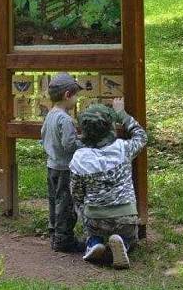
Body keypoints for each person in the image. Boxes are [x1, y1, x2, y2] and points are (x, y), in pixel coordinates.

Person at [69, 100, 147, 269]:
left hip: (95, 218)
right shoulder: (122, 149)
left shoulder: (80, 158)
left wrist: (83, 210)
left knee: (83, 208)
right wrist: (122, 114)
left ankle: (94, 242)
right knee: (128, 235)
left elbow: (76, 192)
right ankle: (124, 244)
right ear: (110, 127)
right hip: (125, 214)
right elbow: (141, 136)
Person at [41, 73, 84, 253]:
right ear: (67, 95)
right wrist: (84, 142)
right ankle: (64, 239)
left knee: (54, 200)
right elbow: (69, 145)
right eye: (76, 95)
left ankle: (54, 232)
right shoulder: (65, 119)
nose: (77, 99)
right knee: (66, 203)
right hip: (65, 168)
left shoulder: (50, 115)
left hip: (52, 166)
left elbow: (42, 136)